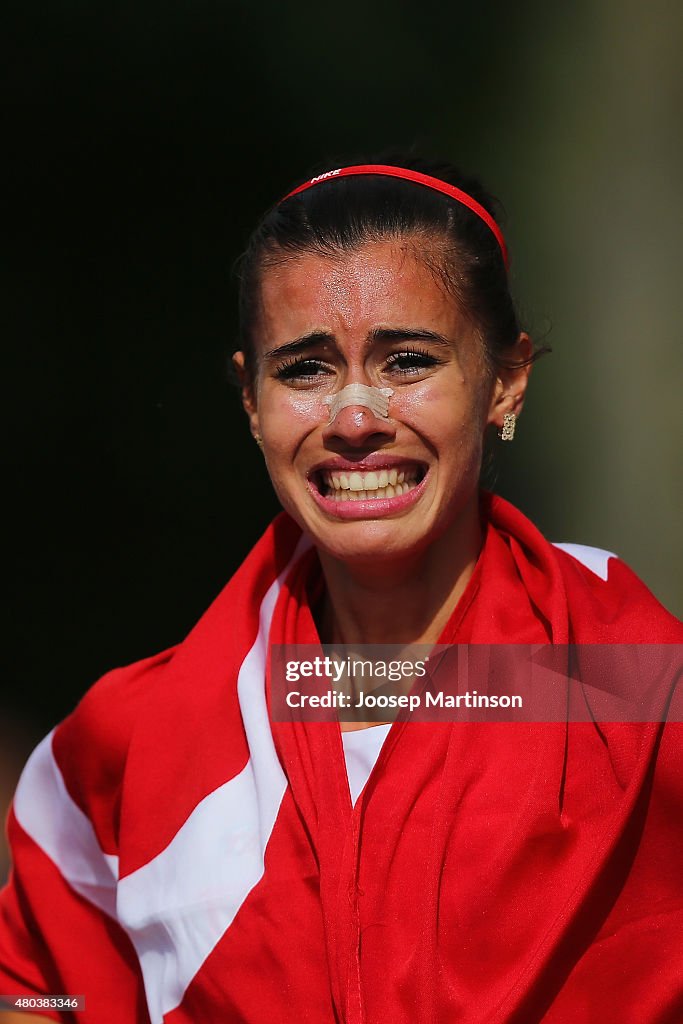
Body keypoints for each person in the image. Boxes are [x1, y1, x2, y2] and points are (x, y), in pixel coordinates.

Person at [0, 157, 681, 1024]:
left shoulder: (623, 681)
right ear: (250, 398)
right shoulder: (134, 744)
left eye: (406, 360)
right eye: (305, 370)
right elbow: (33, 982)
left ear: (505, 379)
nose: (355, 417)